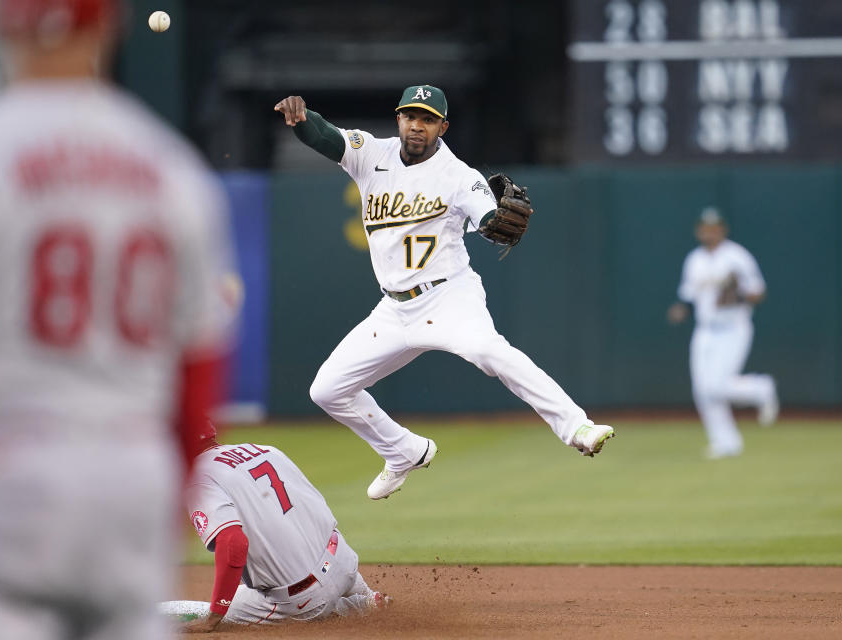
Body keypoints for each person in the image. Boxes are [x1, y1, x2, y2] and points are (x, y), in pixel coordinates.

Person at [0, 1, 236, 638]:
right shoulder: (172, 171)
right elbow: (198, 371)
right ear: (109, 25)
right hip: (127, 472)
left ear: (0, 25)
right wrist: (161, 499)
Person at [273, 86, 615, 501]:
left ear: (443, 127)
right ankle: (403, 451)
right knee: (326, 390)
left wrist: (492, 219)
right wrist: (302, 118)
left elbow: (491, 216)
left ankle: (575, 426)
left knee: (489, 351)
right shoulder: (371, 154)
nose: (417, 125)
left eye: (428, 119)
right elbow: (327, 137)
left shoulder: (459, 176)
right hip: (393, 308)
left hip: (448, 298)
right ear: (398, 118)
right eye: (410, 116)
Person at [162, 431, 387, 633]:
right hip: (344, 562)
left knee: (209, 611)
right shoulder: (265, 450)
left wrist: (215, 615)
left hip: (305, 599)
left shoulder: (198, 479)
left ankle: (348, 608)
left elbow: (233, 543)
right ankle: (366, 598)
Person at [668, 207, 779, 459]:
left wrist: (737, 294)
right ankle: (726, 442)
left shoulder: (737, 256)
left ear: (722, 230)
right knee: (702, 390)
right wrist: (681, 309)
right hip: (705, 330)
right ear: (699, 231)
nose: (709, 233)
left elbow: (758, 292)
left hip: (733, 328)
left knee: (716, 386)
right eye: (705, 228)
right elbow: (687, 295)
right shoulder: (694, 259)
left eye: (714, 228)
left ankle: (761, 388)